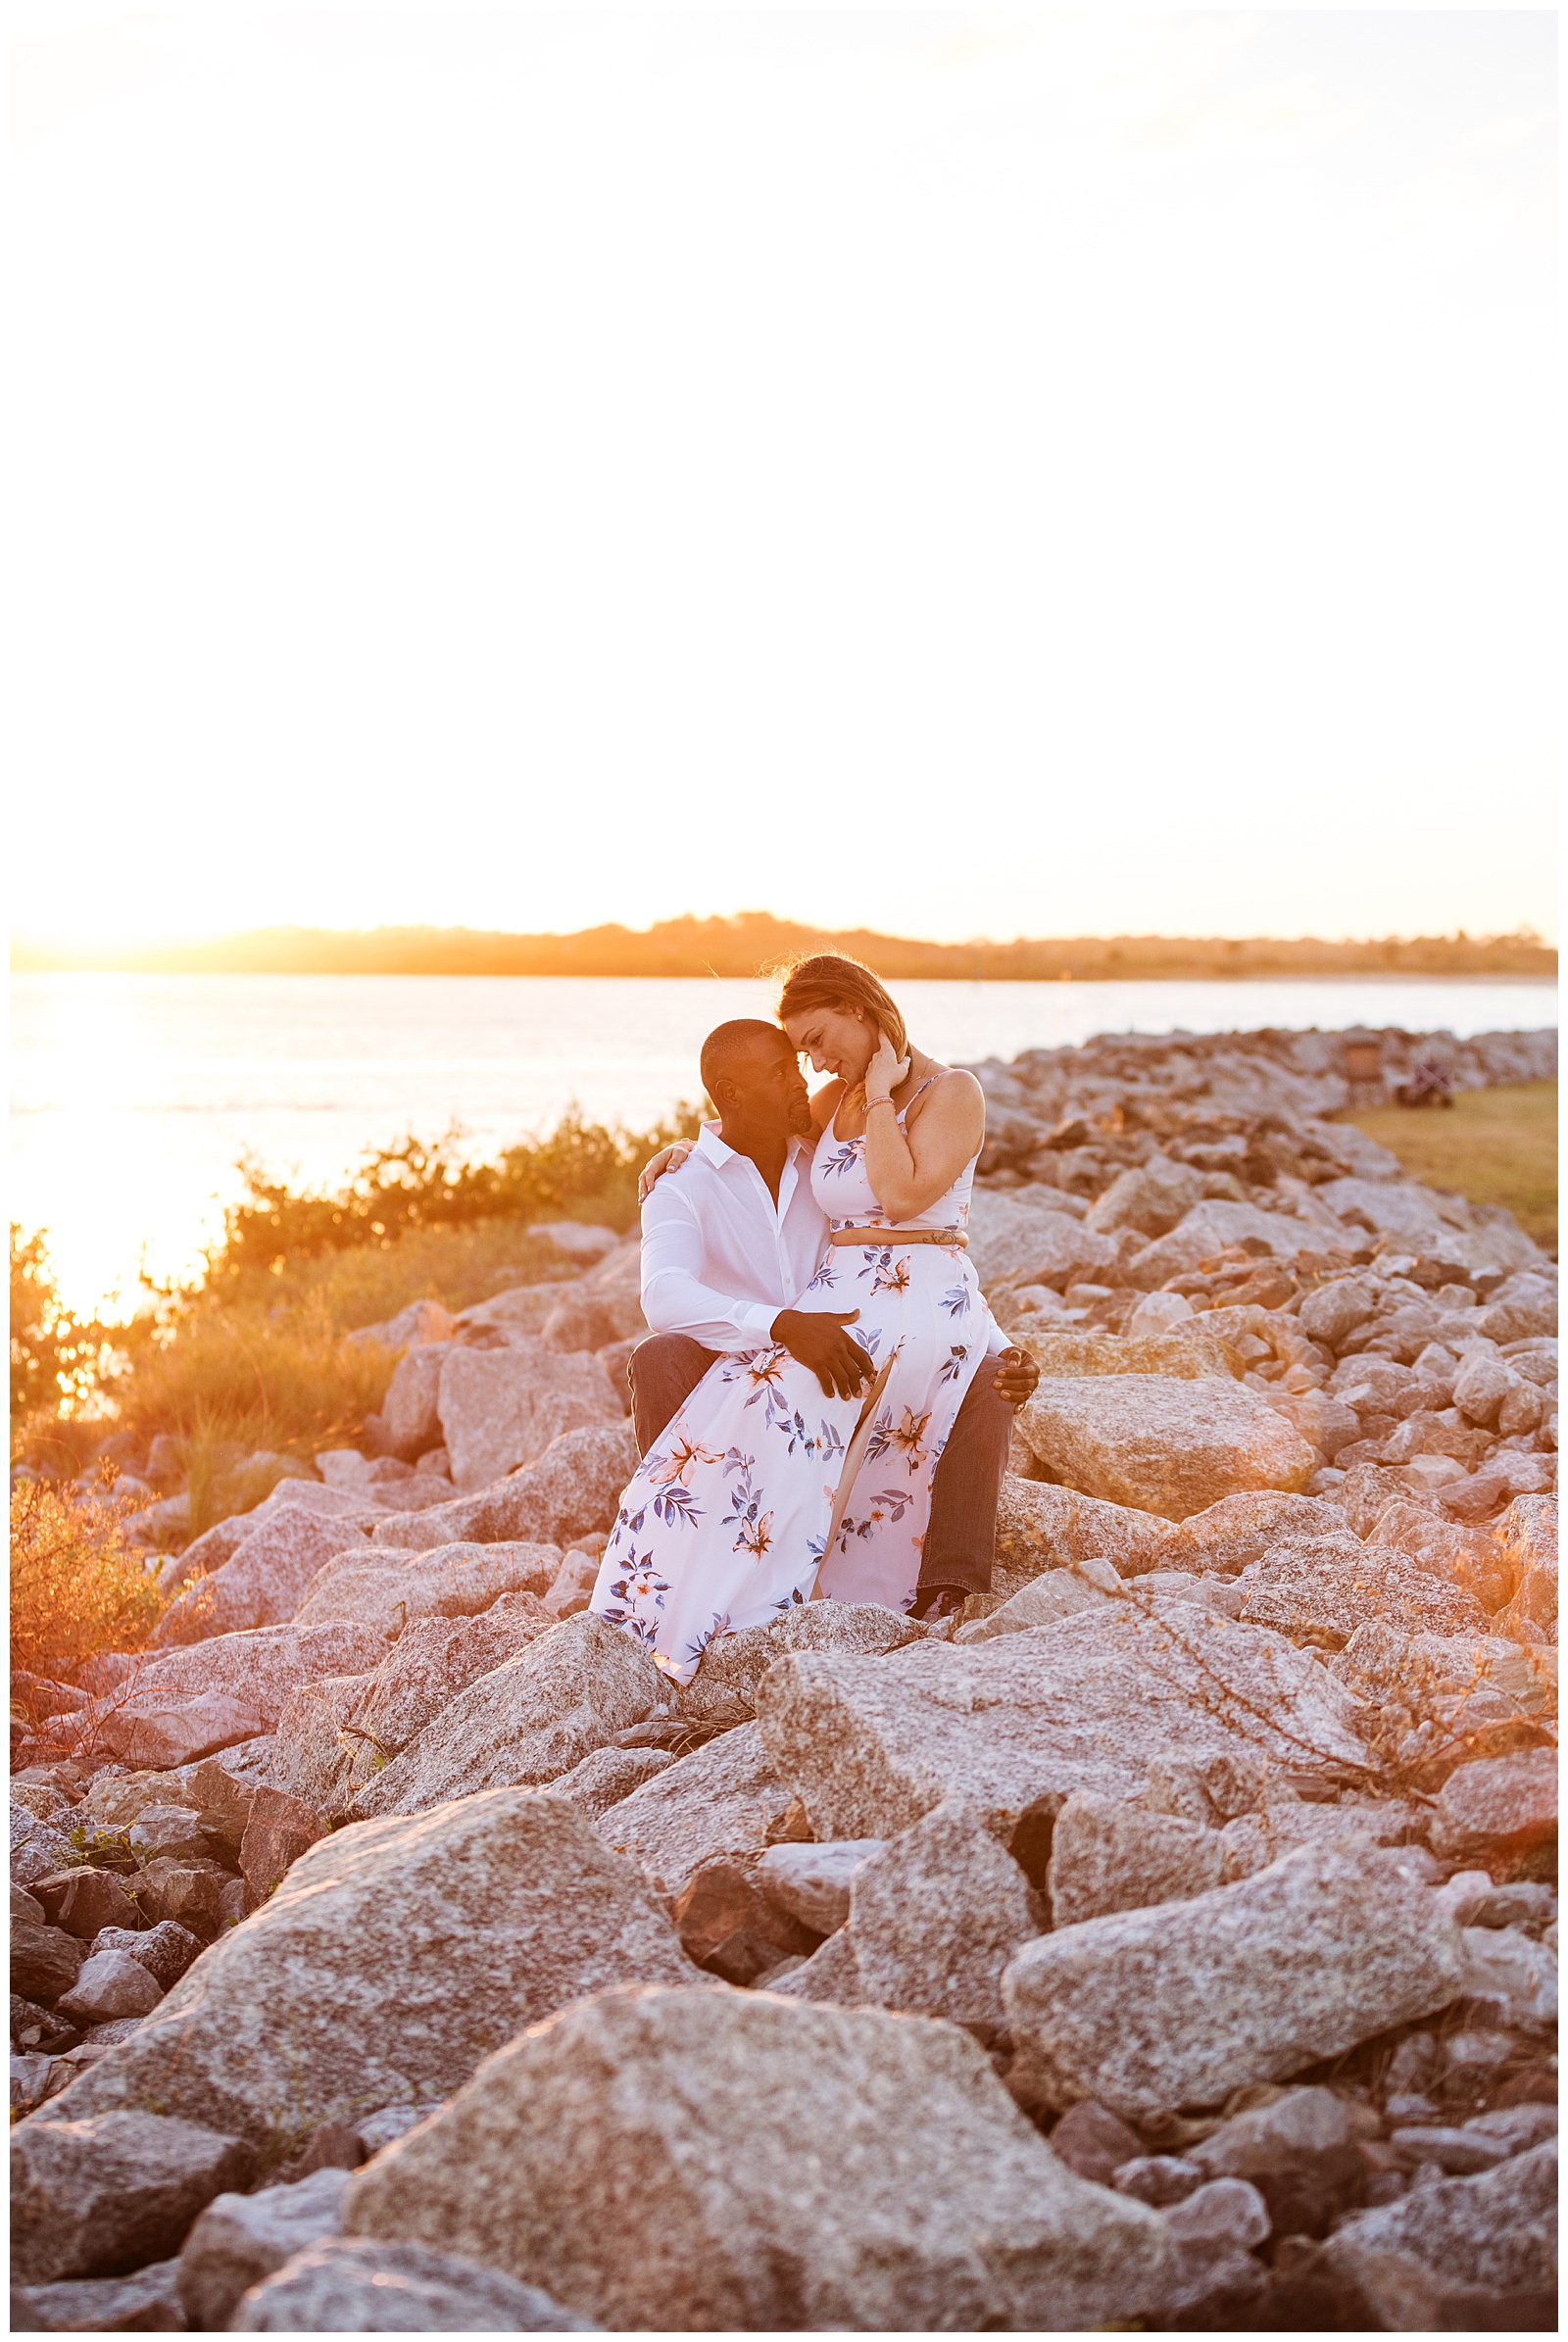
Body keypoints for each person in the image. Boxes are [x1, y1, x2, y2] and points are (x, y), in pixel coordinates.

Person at [588, 958, 1036, 1682]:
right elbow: (757, 1135)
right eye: (798, 1055)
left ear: (861, 1010)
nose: (811, 1066)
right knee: (725, 1398)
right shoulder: (819, 1110)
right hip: (821, 1312)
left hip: (903, 1298)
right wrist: (688, 1152)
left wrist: (886, 1094)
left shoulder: (945, 1093)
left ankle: (923, 1591)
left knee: (951, 1389)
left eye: (818, 1041)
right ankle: (686, 1586)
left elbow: (897, 1196)